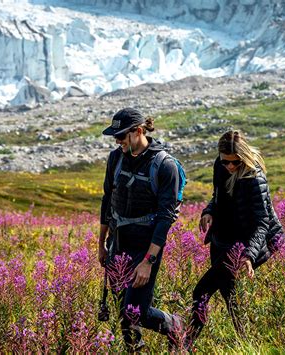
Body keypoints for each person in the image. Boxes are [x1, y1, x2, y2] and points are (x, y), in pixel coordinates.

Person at [98, 107, 182, 351]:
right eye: (115, 137)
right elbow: (107, 200)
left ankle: (176, 326)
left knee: (135, 312)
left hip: (146, 247)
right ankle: (136, 350)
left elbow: (165, 218)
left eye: (121, 136)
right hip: (118, 242)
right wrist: (101, 243)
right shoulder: (115, 158)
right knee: (123, 311)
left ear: (138, 131)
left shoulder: (165, 166)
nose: (117, 141)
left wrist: (148, 261)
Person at [189, 130, 283, 344]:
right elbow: (218, 197)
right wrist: (208, 211)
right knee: (231, 297)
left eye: (236, 162)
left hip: (247, 242)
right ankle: (248, 343)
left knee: (201, 291)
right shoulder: (219, 165)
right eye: (226, 162)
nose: (230, 166)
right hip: (223, 239)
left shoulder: (253, 176)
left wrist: (249, 255)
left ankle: (185, 343)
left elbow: (262, 222)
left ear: (244, 157)